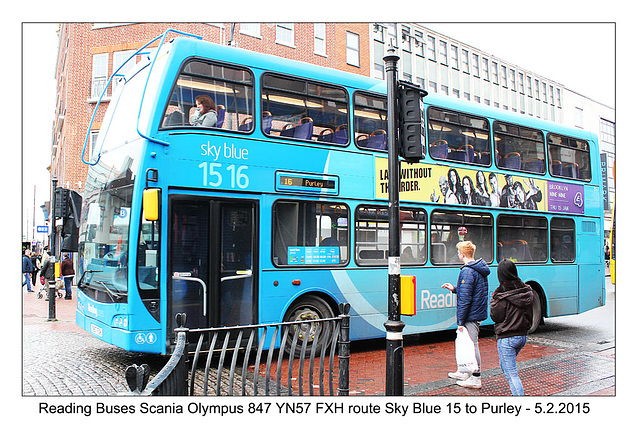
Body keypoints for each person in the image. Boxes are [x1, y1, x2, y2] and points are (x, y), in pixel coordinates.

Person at [441, 240, 490, 389]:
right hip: (476, 312)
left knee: (472, 345)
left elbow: (465, 299)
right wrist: (455, 288)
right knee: (466, 344)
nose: (458, 255)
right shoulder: (477, 269)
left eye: (458, 253)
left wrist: (460, 322)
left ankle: (476, 378)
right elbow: (471, 291)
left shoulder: (467, 271)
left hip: (471, 315)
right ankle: (464, 371)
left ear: (462, 255)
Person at [490, 259, 534, 396]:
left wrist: (493, 301)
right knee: (505, 366)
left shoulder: (501, 296)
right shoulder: (526, 290)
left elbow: (495, 317)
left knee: (512, 375)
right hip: (522, 336)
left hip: (507, 337)